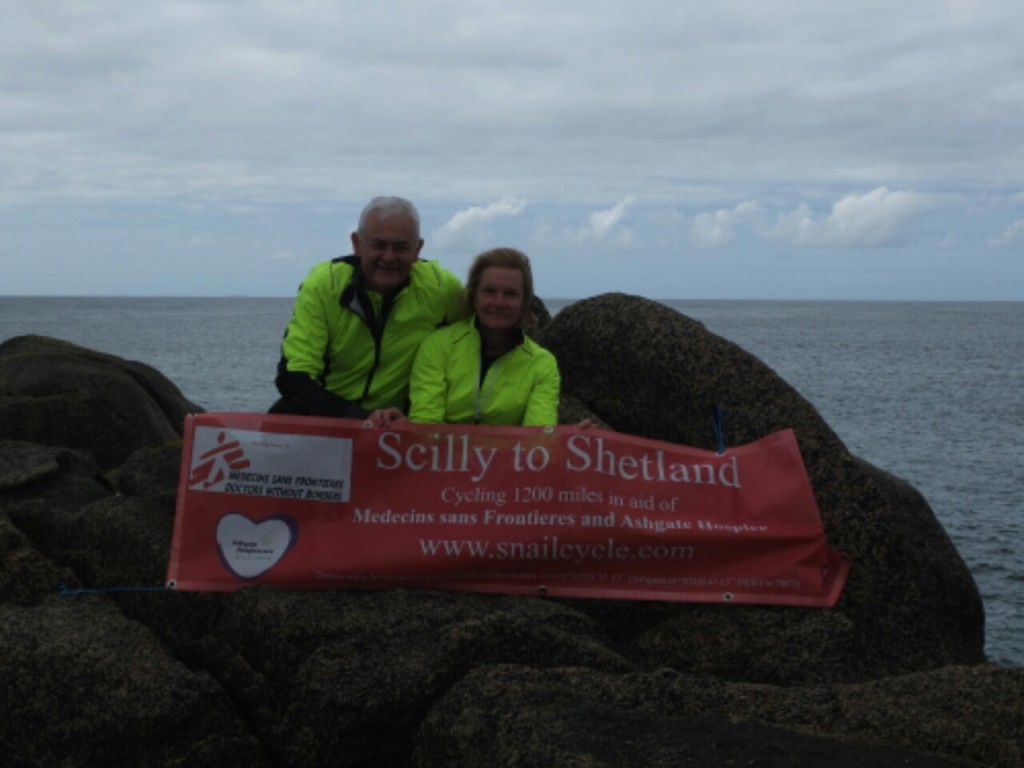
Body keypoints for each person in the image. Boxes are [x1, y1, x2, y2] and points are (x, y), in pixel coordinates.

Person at [270, 196, 466, 425]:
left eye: (401, 247)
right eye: (379, 245)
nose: (389, 257)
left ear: (418, 249)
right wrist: (359, 418)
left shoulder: (442, 288)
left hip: (399, 419)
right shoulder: (324, 285)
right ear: (357, 244)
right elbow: (294, 376)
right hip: (330, 414)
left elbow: (479, 336)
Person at [407, 247, 560, 426]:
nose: (499, 302)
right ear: (473, 297)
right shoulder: (438, 346)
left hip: (509, 454)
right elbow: (425, 423)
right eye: (489, 291)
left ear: (524, 303)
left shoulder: (542, 364)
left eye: (510, 294)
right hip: (441, 451)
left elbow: (538, 437)